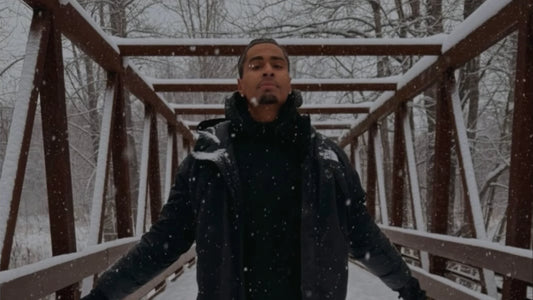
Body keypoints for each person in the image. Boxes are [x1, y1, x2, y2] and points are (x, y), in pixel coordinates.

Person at [83, 38, 426, 300]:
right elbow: (164, 243)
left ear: (289, 82)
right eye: (256, 64)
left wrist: (409, 288)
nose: (267, 70)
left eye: (277, 64)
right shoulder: (206, 162)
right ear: (240, 84)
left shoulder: (328, 160)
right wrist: (104, 293)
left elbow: (364, 236)